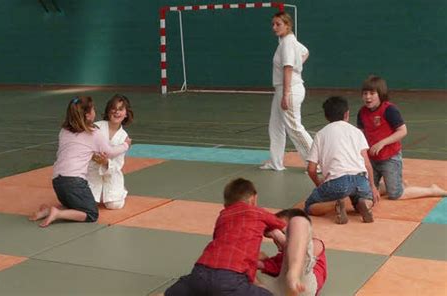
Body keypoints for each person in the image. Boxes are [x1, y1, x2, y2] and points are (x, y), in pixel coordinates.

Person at [163, 178, 286, 296]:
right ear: (254, 199)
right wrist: (275, 233)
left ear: (226, 205)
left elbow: (220, 240)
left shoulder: (223, 216)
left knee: (175, 292)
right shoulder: (258, 212)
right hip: (230, 279)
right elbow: (285, 225)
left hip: (200, 272)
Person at [29, 96, 131, 227]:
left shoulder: (64, 131)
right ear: (88, 115)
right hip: (74, 182)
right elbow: (109, 152)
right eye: (93, 109)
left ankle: (48, 211)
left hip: (57, 182)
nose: (95, 111)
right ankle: (57, 213)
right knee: (91, 214)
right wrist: (126, 145)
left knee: (73, 204)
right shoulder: (93, 132)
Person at [357, 75, 447, 200]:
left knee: (395, 195)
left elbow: (402, 131)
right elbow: (360, 135)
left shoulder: (389, 110)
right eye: (365, 93)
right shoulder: (362, 112)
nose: (367, 97)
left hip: (390, 157)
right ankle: (397, 184)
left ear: (380, 94)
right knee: (365, 192)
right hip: (372, 159)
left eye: (372, 93)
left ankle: (432, 189)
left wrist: (382, 143)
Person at [304, 96, 380, 224]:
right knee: (366, 197)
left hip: (337, 181)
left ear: (326, 116)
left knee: (309, 206)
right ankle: (365, 204)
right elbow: (367, 163)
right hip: (360, 179)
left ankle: (336, 204)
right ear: (347, 114)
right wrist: (372, 186)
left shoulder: (320, 135)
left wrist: (319, 184)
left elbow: (311, 169)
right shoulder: (356, 132)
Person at [260, 11, 313, 171]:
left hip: (289, 90)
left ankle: (316, 162)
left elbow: (288, 68)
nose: (274, 27)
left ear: (288, 25)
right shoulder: (288, 41)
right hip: (282, 89)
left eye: (278, 24)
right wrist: (299, 66)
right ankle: (276, 162)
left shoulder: (288, 43)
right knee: (275, 126)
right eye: (273, 24)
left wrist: (286, 94)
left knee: (295, 128)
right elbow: (306, 52)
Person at [257, 209, 327, 296]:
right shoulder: (281, 257)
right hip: (280, 286)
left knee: (299, 222)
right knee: (246, 275)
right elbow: (272, 267)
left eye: (285, 231)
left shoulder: (316, 243)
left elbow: (301, 252)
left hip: (301, 285)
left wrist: (278, 235)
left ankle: (293, 276)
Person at [87, 94, 134, 210]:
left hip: (110, 174)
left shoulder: (124, 137)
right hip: (92, 172)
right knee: (88, 204)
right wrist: (93, 156)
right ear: (108, 111)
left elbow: (118, 164)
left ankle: (120, 191)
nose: (116, 112)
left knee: (114, 205)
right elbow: (85, 147)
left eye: (120, 109)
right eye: (113, 109)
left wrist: (105, 162)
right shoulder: (96, 127)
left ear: (126, 114)